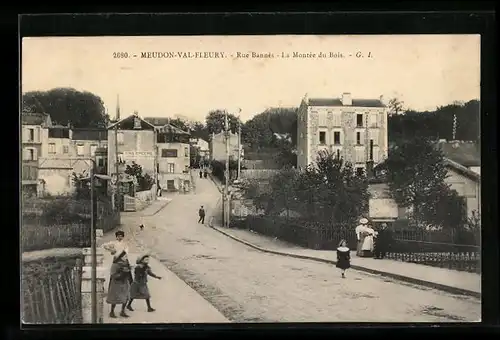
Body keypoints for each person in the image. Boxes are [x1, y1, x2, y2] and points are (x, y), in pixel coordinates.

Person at [106, 249, 132, 318]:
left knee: (126, 297)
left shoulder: (126, 264)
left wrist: (129, 277)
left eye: (126, 256)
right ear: (120, 257)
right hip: (116, 283)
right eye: (125, 256)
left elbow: (129, 273)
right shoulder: (115, 265)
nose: (126, 257)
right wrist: (122, 274)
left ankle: (122, 311)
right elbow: (113, 274)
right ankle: (112, 312)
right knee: (115, 298)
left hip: (125, 283)